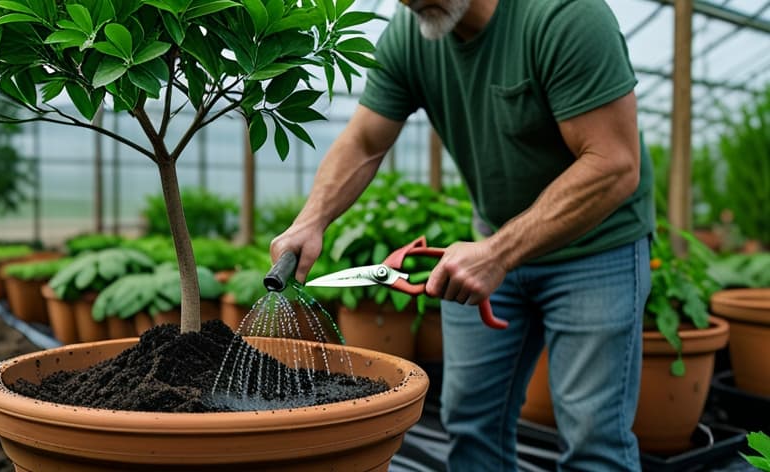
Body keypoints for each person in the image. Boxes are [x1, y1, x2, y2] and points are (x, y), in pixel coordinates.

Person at [270, 0, 655, 470]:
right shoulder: (411, 35)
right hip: (492, 239)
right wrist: (312, 220)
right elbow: (365, 141)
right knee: (471, 421)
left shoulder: (565, 17)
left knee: (594, 440)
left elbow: (615, 164)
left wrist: (498, 254)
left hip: (596, 248)